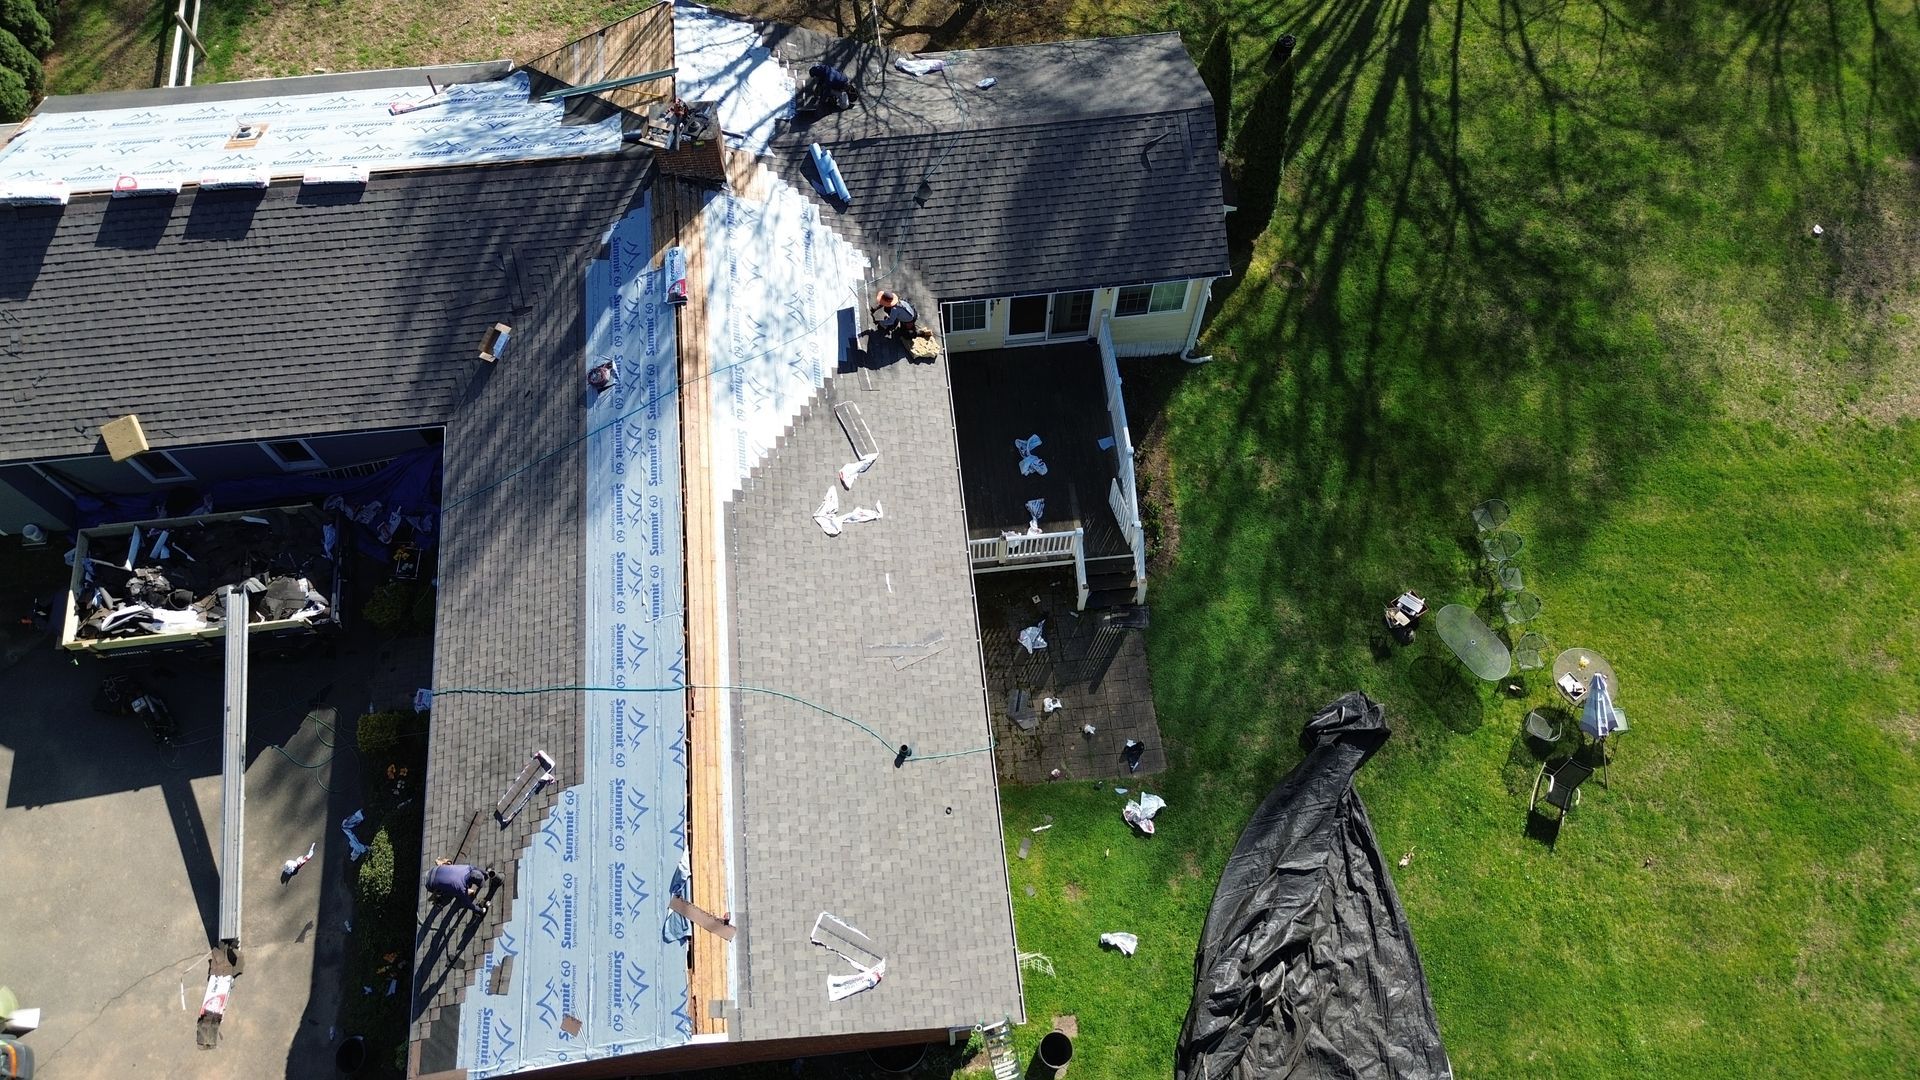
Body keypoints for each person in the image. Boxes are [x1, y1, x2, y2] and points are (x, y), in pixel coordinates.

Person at [426, 859, 495, 915]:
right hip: (430, 884)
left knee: (452, 884)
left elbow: (476, 869)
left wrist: (486, 874)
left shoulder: (467, 868)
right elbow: (467, 903)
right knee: (450, 894)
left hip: (434, 870)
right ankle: (438, 899)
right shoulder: (460, 887)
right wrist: (479, 910)